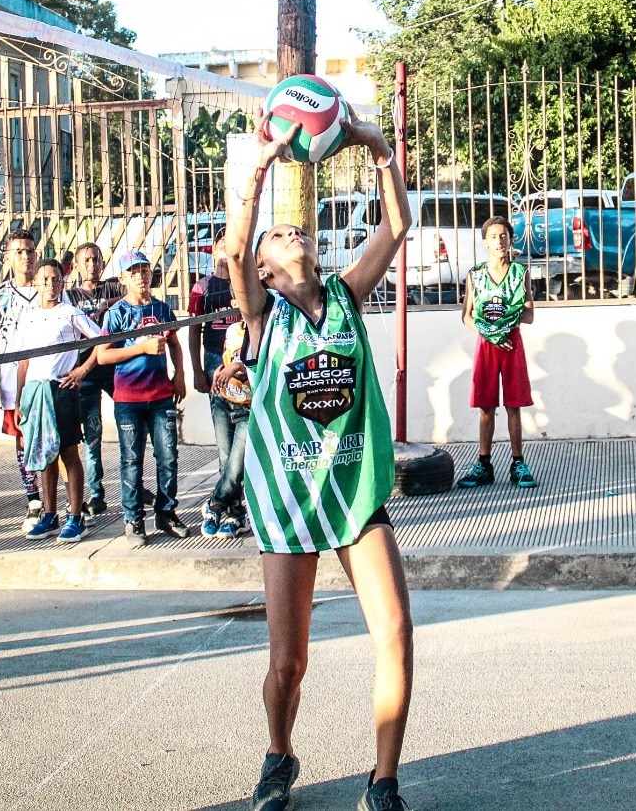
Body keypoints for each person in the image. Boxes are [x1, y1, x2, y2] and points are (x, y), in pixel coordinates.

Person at [226, 115, 414, 811]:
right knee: (289, 662)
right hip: (287, 502)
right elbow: (234, 249)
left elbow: (397, 228)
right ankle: (279, 753)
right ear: (268, 270)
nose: (291, 233)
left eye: (297, 228)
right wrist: (261, 167)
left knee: (395, 632)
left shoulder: (345, 295)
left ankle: (383, 780)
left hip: (354, 495)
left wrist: (372, 144)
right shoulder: (259, 317)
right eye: (281, 235)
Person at [99, 250, 187, 546]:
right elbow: (103, 355)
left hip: (161, 395)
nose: (140, 276)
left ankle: (166, 512)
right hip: (129, 399)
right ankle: (133, 518)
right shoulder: (116, 314)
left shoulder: (162, 309)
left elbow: (174, 342)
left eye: (145, 270)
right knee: (131, 459)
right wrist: (141, 348)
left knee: (168, 456)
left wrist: (180, 375)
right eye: (133, 272)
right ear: (123, 279)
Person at [14, 259, 104, 543]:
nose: (51, 285)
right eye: (45, 280)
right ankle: (49, 515)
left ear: (62, 282)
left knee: (68, 452)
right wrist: (19, 400)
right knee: (44, 455)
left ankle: (75, 516)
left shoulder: (70, 313)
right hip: (35, 393)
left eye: (56, 279)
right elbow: (23, 361)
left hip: (61, 391)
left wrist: (81, 370)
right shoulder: (27, 316)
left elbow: (102, 340)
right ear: (36, 283)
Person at [457, 216, 539, 488]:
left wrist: (507, 324)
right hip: (486, 347)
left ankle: (518, 463)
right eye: (493, 236)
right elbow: (466, 316)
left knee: (514, 405)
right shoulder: (475, 275)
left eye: (504, 236)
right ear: (485, 242)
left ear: (511, 240)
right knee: (486, 406)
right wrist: (488, 331)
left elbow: (529, 315)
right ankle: (483, 463)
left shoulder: (519, 273)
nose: (499, 241)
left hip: (511, 344)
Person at [0, 228, 44, 530]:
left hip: (44, 374)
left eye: (29, 250)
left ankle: (62, 497)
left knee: (51, 434)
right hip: (10, 379)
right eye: (18, 251)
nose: (25, 256)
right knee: (22, 438)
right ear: (7, 257)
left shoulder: (48, 287)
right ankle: (32, 496)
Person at [189, 231, 247, 537]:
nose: (227, 251)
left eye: (231, 245)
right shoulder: (203, 286)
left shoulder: (246, 282)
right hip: (214, 358)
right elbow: (193, 330)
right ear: (214, 251)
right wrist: (197, 369)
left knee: (241, 451)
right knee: (226, 449)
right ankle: (230, 513)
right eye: (222, 246)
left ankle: (224, 508)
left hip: (243, 358)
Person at [64, 242, 123, 516]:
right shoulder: (70, 296)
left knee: (130, 426)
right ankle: (97, 492)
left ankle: (132, 484)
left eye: (96, 259)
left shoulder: (112, 288)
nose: (92, 265)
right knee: (92, 435)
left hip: (114, 368)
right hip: (85, 370)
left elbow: (134, 293)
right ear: (76, 265)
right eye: (86, 260)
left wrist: (106, 305)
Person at [203, 318, 251, 538]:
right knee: (225, 463)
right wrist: (221, 369)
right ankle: (235, 515)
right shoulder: (233, 330)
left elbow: (254, 364)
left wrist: (236, 367)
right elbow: (228, 356)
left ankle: (214, 504)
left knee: (235, 468)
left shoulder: (267, 328)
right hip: (224, 401)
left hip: (248, 408)